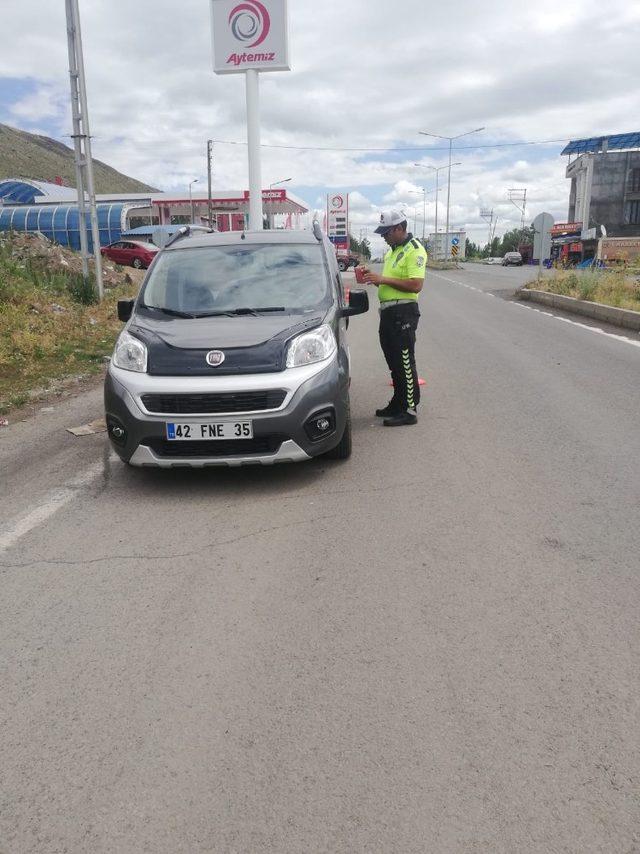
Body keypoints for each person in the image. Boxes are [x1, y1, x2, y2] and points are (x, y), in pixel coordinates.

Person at [359, 210, 427, 426]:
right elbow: (390, 282)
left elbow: (416, 284)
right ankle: (397, 403)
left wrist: (384, 279)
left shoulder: (414, 250)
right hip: (388, 312)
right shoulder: (393, 251)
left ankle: (409, 410)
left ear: (399, 229)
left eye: (386, 233)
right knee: (394, 363)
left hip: (403, 312)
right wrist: (373, 278)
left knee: (405, 361)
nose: (384, 237)